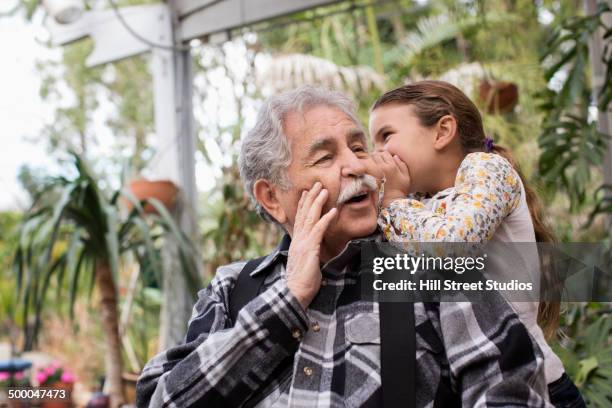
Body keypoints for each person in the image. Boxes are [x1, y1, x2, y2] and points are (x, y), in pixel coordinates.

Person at [136, 85, 552, 407]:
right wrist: (287, 300)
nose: (356, 165)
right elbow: (161, 399)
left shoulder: (431, 266)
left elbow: (511, 388)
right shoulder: (232, 289)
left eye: (357, 147)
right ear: (271, 197)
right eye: (324, 158)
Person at [369, 80, 584, 408]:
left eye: (386, 136)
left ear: (442, 131)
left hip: (536, 390)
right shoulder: (419, 204)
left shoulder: (487, 168)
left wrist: (394, 201)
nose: (377, 153)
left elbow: (454, 247)